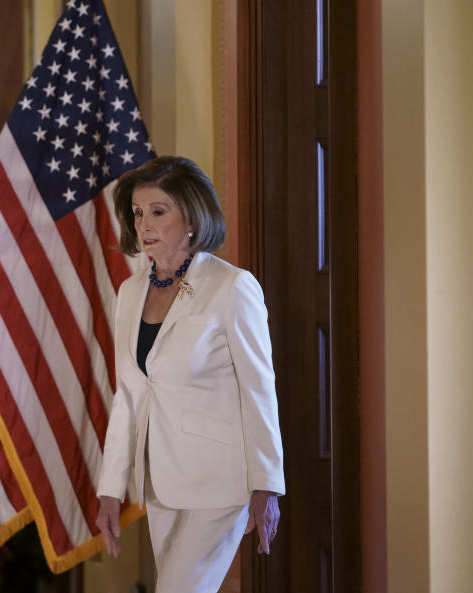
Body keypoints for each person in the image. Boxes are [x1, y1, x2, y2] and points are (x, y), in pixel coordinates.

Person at [95, 156, 285, 593]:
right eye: (139, 213)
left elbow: (258, 390)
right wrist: (111, 488)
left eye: (159, 212)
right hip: (160, 485)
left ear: (193, 219)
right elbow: (128, 396)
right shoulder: (130, 291)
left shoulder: (232, 287)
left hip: (220, 483)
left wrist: (266, 485)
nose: (145, 224)